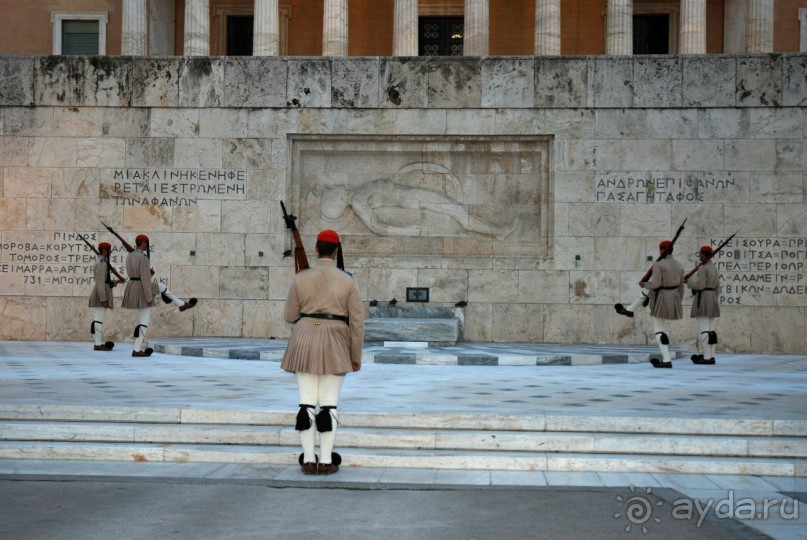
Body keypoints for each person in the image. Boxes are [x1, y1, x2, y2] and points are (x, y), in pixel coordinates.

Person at [281, 229, 364, 475]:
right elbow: (357, 322)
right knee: (329, 405)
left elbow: (290, 316)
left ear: (316, 249)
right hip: (336, 340)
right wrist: (355, 355)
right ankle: (326, 460)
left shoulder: (301, 278)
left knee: (306, 402)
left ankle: (308, 459)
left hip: (305, 337)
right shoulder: (348, 280)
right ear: (336, 251)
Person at [642, 240, 684, 369]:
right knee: (661, 329)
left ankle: (666, 359)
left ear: (661, 250)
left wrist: (645, 284)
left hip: (661, 298)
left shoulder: (659, 265)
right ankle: (666, 358)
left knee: (659, 329)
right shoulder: (679, 265)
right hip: (674, 297)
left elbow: (655, 284)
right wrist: (678, 300)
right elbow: (681, 287)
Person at [685, 245, 721, 365]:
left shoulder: (703, 268)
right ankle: (711, 355)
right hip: (712, 297)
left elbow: (700, 286)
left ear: (705, 255)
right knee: (711, 330)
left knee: (704, 330)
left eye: (700, 254)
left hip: (704, 297)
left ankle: (706, 357)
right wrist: (713, 298)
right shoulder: (714, 268)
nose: (699, 256)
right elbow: (718, 288)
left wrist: (688, 282)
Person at [88, 242, 121, 351]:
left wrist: (117, 282)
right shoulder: (101, 263)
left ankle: (98, 343)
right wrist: (103, 299)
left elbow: (106, 281)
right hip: (101, 294)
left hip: (102, 292)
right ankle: (98, 344)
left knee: (99, 319)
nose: (110, 252)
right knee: (99, 319)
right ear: (104, 250)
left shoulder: (103, 262)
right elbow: (100, 283)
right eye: (109, 250)